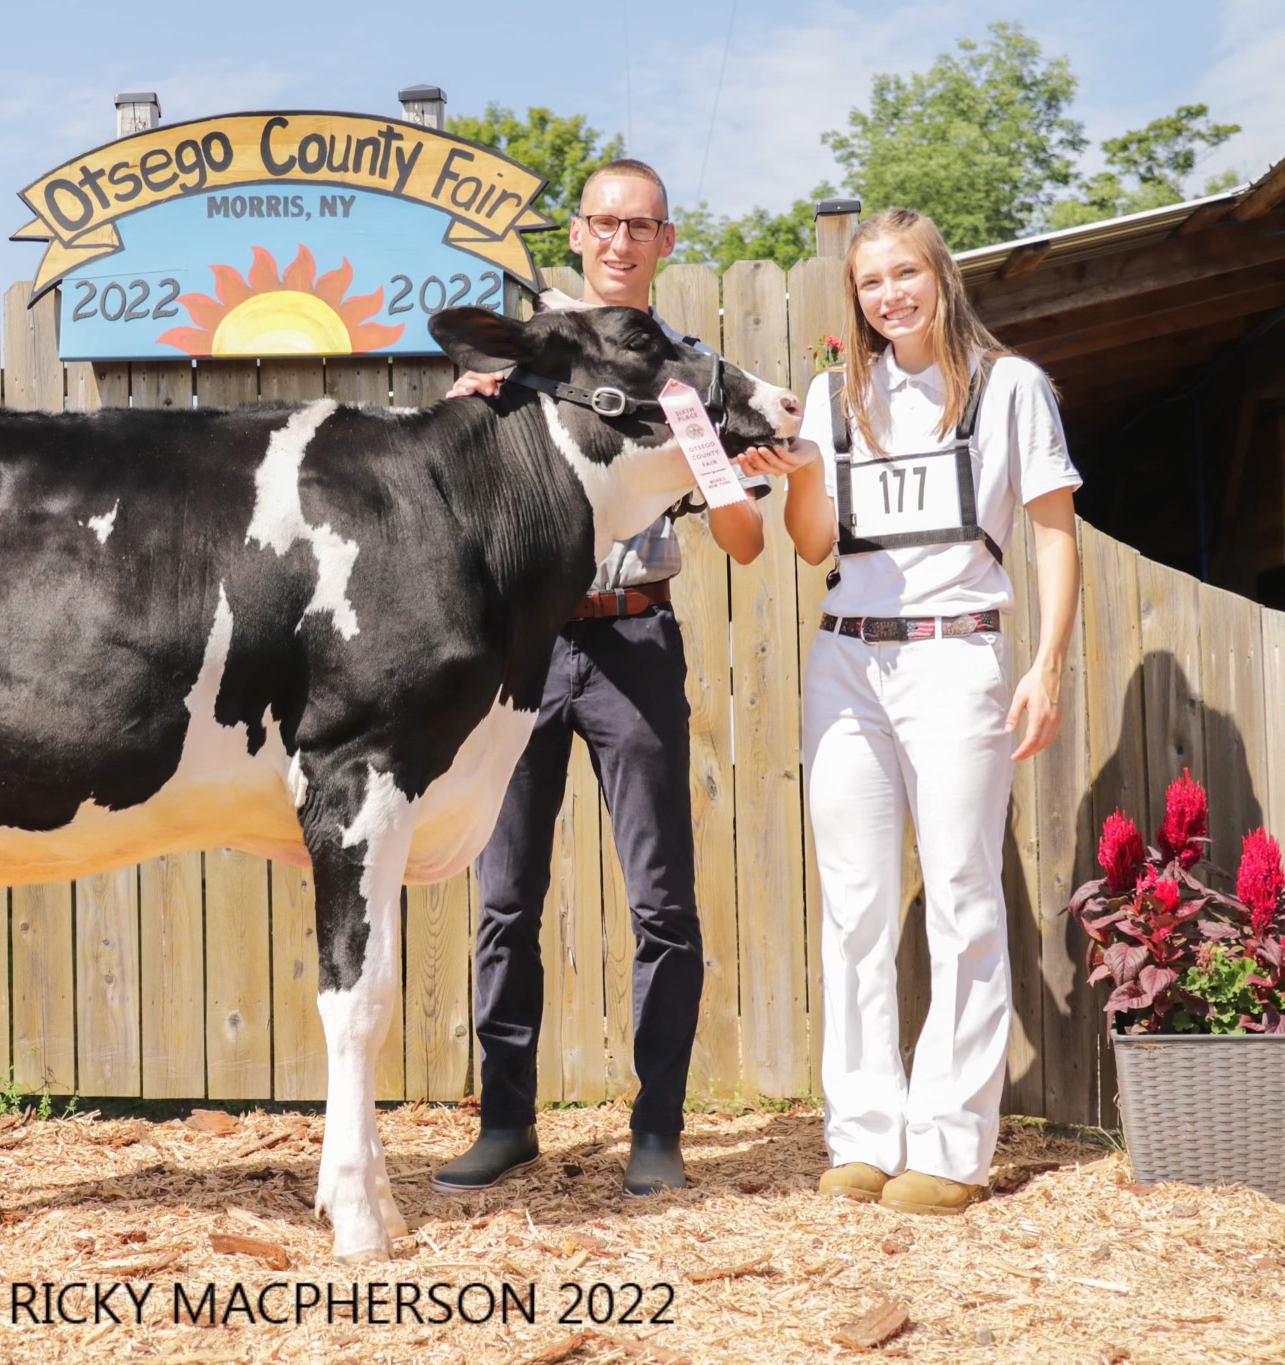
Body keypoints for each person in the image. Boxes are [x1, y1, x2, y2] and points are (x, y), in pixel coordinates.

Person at [432, 159, 776, 1198]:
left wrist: (736, 477)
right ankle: (503, 1123)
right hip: (522, 647)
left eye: (642, 226)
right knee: (503, 898)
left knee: (660, 898)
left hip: (632, 640)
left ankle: (658, 1132)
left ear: (665, 243)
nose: (621, 240)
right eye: (604, 223)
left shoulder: (694, 374)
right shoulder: (518, 355)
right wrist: (465, 404)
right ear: (575, 235)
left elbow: (746, 542)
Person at [738, 206, 1081, 1215]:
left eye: (903, 275)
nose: (888, 296)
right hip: (845, 663)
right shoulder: (831, 397)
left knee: (966, 899)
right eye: (870, 284)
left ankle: (948, 1148)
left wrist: (1047, 665)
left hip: (958, 660)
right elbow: (811, 546)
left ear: (939, 277)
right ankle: (859, 1134)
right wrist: (802, 473)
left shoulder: (1009, 388)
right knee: (853, 908)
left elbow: (1053, 536)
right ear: (854, 301)